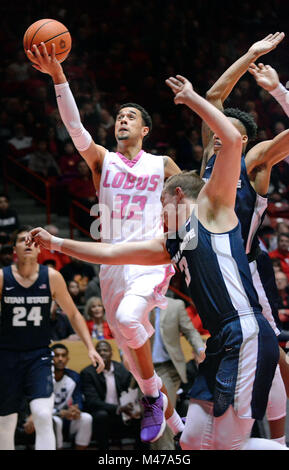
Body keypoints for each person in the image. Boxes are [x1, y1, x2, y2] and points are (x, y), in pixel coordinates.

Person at [27, 75, 288, 450]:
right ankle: (161, 404)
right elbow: (109, 253)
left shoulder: (207, 211)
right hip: (211, 333)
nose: (159, 210)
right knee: (189, 439)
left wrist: (194, 99)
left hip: (241, 330)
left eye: (162, 203)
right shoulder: (172, 242)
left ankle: (158, 398)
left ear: (177, 195)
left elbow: (223, 151)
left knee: (132, 321)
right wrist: (57, 242)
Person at [28, 41, 183, 443]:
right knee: (132, 355)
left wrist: (185, 252)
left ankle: (153, 399)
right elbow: (75, 127)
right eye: (118, 117)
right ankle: (176, 422)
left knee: (132, 322)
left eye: (130, 117)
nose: (122, 121)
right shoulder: (102, 159)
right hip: (111, 263)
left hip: (148, 259)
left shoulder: (162, 164)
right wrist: (58, 76)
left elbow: (188, 203)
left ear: (145, 130)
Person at [200, 34, 289, 445]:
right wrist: (250, 54)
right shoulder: (208, 158)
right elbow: (214, 95)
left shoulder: (253, 160)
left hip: (248, 267)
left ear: (243, 141)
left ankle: (282, 435)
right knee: (228, 352)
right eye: (215, 129)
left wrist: (277, 90)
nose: (217, 134)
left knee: (274, 348)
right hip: (211, 267)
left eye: (226, 131)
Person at [0, 225, 104, 450]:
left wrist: (90, 347)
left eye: (32, 240)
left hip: (38, 356)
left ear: (40, 249)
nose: (27, 243)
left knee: (43, 415)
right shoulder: (2, 277)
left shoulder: (52, 277)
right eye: (21, 239)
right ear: (14, 249)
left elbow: (74, 314)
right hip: (7, 356)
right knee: (6, 422)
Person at [150, 296, 206, 450]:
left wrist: (200, 349)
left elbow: (190, 331)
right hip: (144, 369)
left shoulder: (176, 305)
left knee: (163, 412)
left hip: (168, 368)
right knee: (152, 420)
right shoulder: (139, 305)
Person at [80, 340, 145, 450]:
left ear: (111, 353)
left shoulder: (122, 370)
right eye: (98, 351)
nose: (102, 353)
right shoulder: (88, 373)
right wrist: (118, 408)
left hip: (123, 414)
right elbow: (92, 402)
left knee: (142, 416)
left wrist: (133, 408)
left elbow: (131, 392)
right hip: (102, 414)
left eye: (105, 350)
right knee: (102, 415)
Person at [50, 343, 93, 450]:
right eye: (56, 355)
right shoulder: (44, 377)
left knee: (86, 418)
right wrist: (59, 413)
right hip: (50, 418)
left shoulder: (74, 376)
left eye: (63, 356)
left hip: (68, 417)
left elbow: (78, 399)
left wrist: (75, 409)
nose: (60, 359)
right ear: (50, 358)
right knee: (57, 421)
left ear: (67, 359)